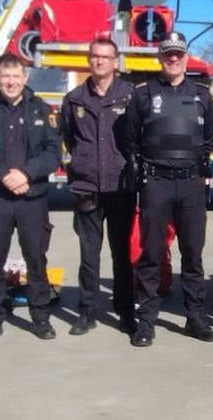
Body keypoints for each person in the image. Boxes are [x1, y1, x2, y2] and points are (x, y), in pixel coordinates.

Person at [121, 31, 213, 347]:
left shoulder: (202, 95)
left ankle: (195, 317)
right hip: (156, 182)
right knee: (151, 253)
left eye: (178, 53)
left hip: (191, 183)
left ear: (186, 57)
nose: (173, 59)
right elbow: (130, 137)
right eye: (168, 54)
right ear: (160, 58)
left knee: (193, 254)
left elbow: (207, 139)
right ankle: (146, 321)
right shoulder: (143, 94)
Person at [0, 53, 62, 343]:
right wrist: (3, 174)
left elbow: (54, 152)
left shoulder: (42, 109)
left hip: (33, 197)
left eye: (16, 76)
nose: (11, 82)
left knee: (36, 258)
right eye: (5, 76)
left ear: (25, 78)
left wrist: (26, 174)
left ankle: (40, 315)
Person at [60, 38, 136, 336]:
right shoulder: (75, 99)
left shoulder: (130, 96)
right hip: (86, 186)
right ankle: (87, 311)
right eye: (95, 56)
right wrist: (83, 162)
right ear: (89, 61)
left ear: (116, 62)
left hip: (120, 185)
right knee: (88, 254)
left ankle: (125, 310)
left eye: (106, 57)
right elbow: (69, 137)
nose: (100, 61)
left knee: (121, 252)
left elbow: (136, 136)